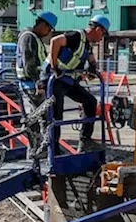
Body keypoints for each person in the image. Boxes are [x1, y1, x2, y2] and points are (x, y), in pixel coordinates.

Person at [45, 14, 111, 152]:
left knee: (90, 102)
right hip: (53, 79)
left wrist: (92, 68)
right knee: (56, 114)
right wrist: (54, 66)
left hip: (67, 81)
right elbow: (55, 41)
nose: (101, 39)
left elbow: (92, 59)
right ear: (98, 30)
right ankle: (53, 148)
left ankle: (85, 140)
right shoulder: (76, 36)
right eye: (103, 34)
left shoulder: (87, 45)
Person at [16, 11, 58, 150]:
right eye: (49, 29)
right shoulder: (29, 37)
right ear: (43, 25)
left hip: (32, 83)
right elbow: (30, 65)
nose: (48, 33)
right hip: (31, 84)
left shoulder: (33, 37)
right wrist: (38, 83)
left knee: (38, 117)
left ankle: (37, 149)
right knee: (40, 117)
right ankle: (38, 149)